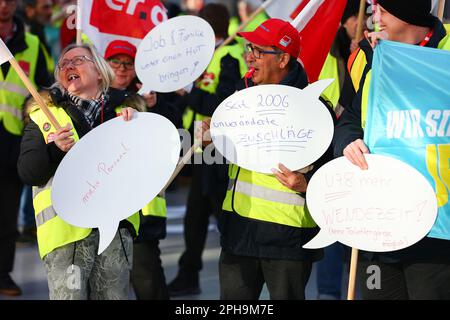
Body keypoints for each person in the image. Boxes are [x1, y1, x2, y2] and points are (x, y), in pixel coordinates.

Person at [200, 18, 335, 300]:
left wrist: (307, 183)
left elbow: (333, 171)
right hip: (238, 231)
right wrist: (209, 140)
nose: (249, 56)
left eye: (259, 51)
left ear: (283, 58)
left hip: (287, 237)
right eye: (249, 48)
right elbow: (223, 157)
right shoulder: (239, 97)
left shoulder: (315, 108)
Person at [334, 0, 450, 299]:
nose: (375, 17)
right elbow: (349, 117)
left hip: (436, 229)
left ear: (406, 13)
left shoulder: (447, 48)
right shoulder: (371, 56)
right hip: (378, 225)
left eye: (382, 10)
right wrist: (348, 142)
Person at [17, 44, 140, 300]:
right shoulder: (44, 116)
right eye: (63, 65)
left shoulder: (126, 114)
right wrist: (54, 151)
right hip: (66, 237)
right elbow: (29, 173)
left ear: (99, 70)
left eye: (78, 60)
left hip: (114, 233)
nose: (68, 66)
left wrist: (138, 133)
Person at [168, 3, 248, 297]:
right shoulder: (204, 56)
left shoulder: (229, 55)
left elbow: (221, 105)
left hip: (220, 148)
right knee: (195, 217)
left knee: (221, 215)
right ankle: (188, 274)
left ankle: (239, 277)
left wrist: (191, 91)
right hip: (199, 146)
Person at [104, 39, 181, 300]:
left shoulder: (153, 96)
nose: (122, 69)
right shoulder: (95, 99)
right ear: (104, 65)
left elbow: (176, 136)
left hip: (144, 207)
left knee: (146, 276)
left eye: (128, 63)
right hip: (108, 205)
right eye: (116, 62)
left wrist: (154, 106)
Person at [0, 0, 51, 297]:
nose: (4, 6)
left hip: (12, 142)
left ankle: (3, 273)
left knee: (7, 216)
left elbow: (45, 90)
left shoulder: (32, 43)